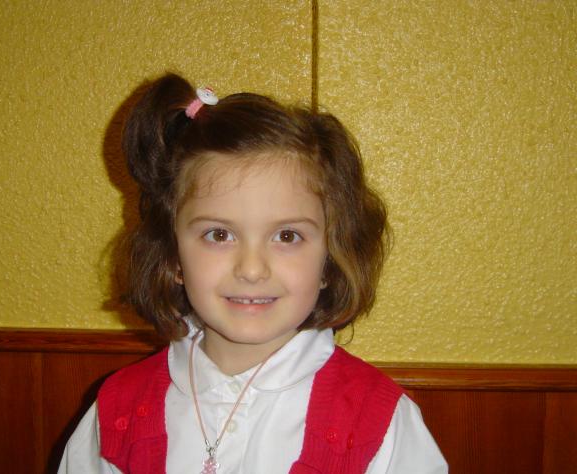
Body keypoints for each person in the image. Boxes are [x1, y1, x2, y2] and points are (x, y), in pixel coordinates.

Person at [59, 73, 447, 473]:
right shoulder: (116, 413)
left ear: (330, 259)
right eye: (219, 234)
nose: (251, 269)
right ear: (173, 256)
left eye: (287, 236)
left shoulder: (380, 424)